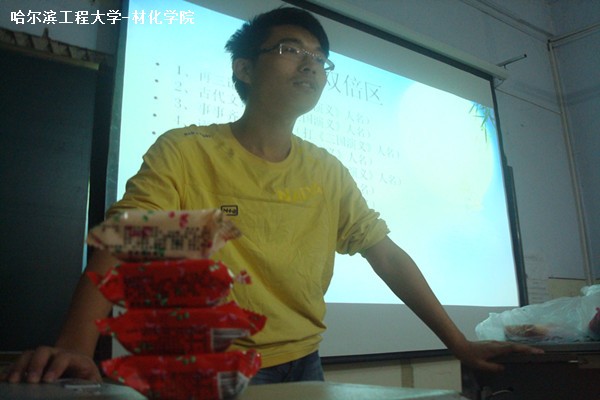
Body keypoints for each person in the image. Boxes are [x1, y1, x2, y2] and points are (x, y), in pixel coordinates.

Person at [2, 7, 542, 386]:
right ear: (243, 69)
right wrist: (74, 349)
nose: (310, 64)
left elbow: (387, 256)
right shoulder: (187, 151)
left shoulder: (327, 170)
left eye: (320, 58)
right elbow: (124, 245)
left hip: (303, 365)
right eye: (290, 49)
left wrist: (459, 344)